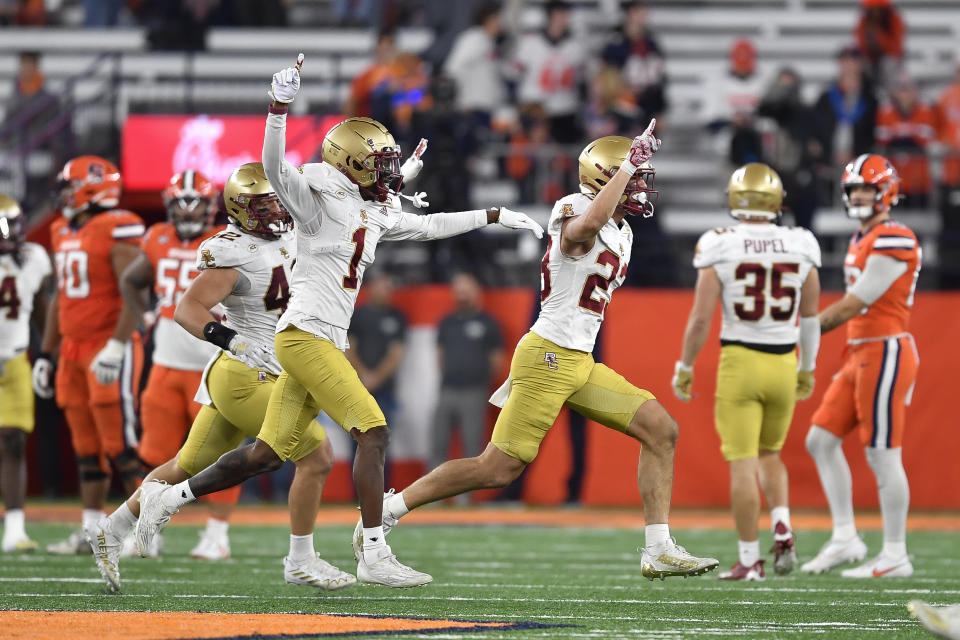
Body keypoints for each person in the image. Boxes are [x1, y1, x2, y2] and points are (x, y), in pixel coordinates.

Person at [135, 55, 544, 588]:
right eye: (378, 164)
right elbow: (275, 166)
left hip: (316, 337)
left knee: (264, 454)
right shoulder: (314, 200)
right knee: (372, 430)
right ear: (348, 164)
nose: (388, 173)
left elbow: (427, 226)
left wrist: (491, 215)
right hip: (305, 335)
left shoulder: (370, 206)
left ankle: (170, 498)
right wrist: (279, 108)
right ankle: (373, 551)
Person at [353, 124, 720, 582]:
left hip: (580, 361)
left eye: (642, 175)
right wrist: (627, 166)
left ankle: (658, 547)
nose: (641, 184)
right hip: (547, 355)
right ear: (606, 178)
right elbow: (581, 232)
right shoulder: (575, 207)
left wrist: (626, 170)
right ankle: (387, 509)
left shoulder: (623, 230)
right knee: (496, 468)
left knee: (661, 430)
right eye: (633, 175)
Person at [85, 162, 352, 593]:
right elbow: (186, 309)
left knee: (185, 465)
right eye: (264, 206)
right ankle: (301, 560)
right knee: (317, 457)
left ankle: (110, 531)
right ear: (242, 210)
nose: (277, 211)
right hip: (248, 373)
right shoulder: (234, 252)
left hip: (255, 372)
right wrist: (235, 341)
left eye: (277, 201)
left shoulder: (293, 233)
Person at [672, 163, 822, 581]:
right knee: (771, 455)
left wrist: (685, 366)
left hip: (741, 360)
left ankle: (750, 559)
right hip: (783, 362)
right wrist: (807, 367)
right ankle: (783, 523)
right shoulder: (801, 241)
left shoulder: (720, 243)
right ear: (777, 201)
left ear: (734, 199)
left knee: (742, 463)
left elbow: (701, 319)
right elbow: (810, 317)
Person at [802, 154, 920, 578]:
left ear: (885, 191)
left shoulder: (896, 236)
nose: (859, 196)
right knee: (820, 440)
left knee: (882, 454)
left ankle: (895, 554)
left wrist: (807, 329)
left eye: (866, 189)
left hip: (885, 350)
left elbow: (858, 301)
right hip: (860, 353)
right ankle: (846, 537)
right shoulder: (861, 237)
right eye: (853, 190)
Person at [117, 170, 240, 560]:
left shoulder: (227, 241)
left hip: (211, 366)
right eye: (180, 204)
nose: (187, 212)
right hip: (165, 364)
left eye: (196, 204)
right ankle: (148, 530)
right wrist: (145, 316)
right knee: (155, 454)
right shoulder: (156, 238)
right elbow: (130, 280)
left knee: (219, 455)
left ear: (210, 207)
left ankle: (217, 534)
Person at [34, 156, 146, 555]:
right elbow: (59, 297)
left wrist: (117, 344)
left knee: (121, 443)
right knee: (84, 444)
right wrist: (47, 354)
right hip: (71, 349)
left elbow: (138, 293)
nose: (64, 193)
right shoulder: (61, 227)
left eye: (70, 185)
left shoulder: (117, 226)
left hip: (107, 345)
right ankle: (91, 530)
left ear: (91, 187)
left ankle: (145, 532)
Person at [0, 194, 52, 552]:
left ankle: (14, 528)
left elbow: (41, 311)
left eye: (15, 224)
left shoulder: (34, 258)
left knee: (14, 440)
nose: (12, 233)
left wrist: (49, 354)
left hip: (15, 358)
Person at [429, 272, 503, 472]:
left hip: (474, 391)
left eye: (466, 291)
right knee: (438, 443)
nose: (462, 295)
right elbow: (440, 355)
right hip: (447, 390)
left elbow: (497, 361)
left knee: (472, 446)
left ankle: (465, 499)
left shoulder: (488, 323)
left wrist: (481, 382)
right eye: (459, 291)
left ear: (476, 292)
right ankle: (433, 495)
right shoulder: (447, 322)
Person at [346, 270, 407, 485]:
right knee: (358, 439)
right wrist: (364, 375)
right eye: (383, 286)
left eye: (389, 287)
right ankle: (358, 492)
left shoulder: (397, 316)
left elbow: (396, 353)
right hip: (358, 387)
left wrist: (376, 377)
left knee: (381, 438)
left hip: (384, 388)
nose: (387, 291)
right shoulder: (359, 314)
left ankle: (381, 489)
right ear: (371, 288)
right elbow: (349, 348)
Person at [512, 0, 586, 144]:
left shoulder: (575, 46)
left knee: (564, 154)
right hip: (535, 108)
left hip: (565, 108)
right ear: (552, 15)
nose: (566, 18)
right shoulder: (531, 43)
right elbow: (515, 76)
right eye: (562, 13)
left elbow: (582, 80)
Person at [600, 0, 667, 128]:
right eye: (640, 11)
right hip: (623, 107)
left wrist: (660, 109)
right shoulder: (615, 43)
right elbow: (606, 77)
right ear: (630, 13)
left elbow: (660, 78)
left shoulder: (651, 42)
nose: (644, 15)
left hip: (648, 105)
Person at [875, 73, 936, 209]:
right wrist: (909, 133)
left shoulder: (925, 111)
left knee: (919, 221)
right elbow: (883, 140)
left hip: (918, 181)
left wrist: (899, 134)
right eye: (902, 89)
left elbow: (924, 140)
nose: (905, 95)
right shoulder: (886, 112)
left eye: (908, 89)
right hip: (893, 179)